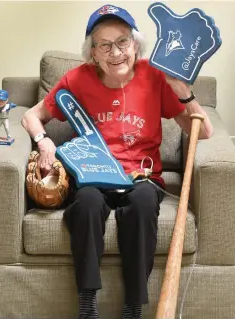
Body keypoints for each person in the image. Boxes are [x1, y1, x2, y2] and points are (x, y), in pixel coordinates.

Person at [22, 4, 213, 319]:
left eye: (123, 41)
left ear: (135, 44)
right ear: (92, 53)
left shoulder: (155, 75)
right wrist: (44, 142)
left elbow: (203, 131)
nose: (116, 52)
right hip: (94, 175)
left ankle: (133, 307)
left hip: (141, 178)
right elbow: (32, 115)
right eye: (104, 45)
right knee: (84, 205)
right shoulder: (78, 79)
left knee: (140, 206)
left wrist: (183, 92)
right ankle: (87, 304)